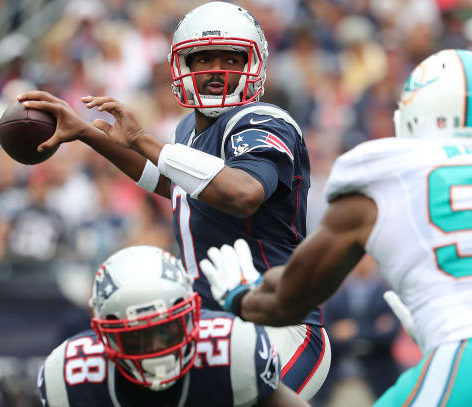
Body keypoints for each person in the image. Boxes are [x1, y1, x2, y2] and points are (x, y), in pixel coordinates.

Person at [200, 49, 472, 406]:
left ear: (412, 116)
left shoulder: (389, 168)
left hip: (466, 359)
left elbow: (290, 301)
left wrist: (242, 296)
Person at [19, 1, 329, 399]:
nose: (217, 69)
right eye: (203, 58)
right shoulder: (188, 130)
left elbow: (243, 193)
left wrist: (144, 140)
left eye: (230, 57)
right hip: (209, 326)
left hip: (280, 323)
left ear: (254, 63)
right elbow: (175, 183)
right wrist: (86, 132)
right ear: (182, 66)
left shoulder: (264, 120)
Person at [37, 245, 308, 407]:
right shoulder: (71, 377)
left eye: (166, 330)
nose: (156, 349)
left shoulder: (234, 351)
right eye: (137, 337)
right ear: (104, 335)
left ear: (192, 316)